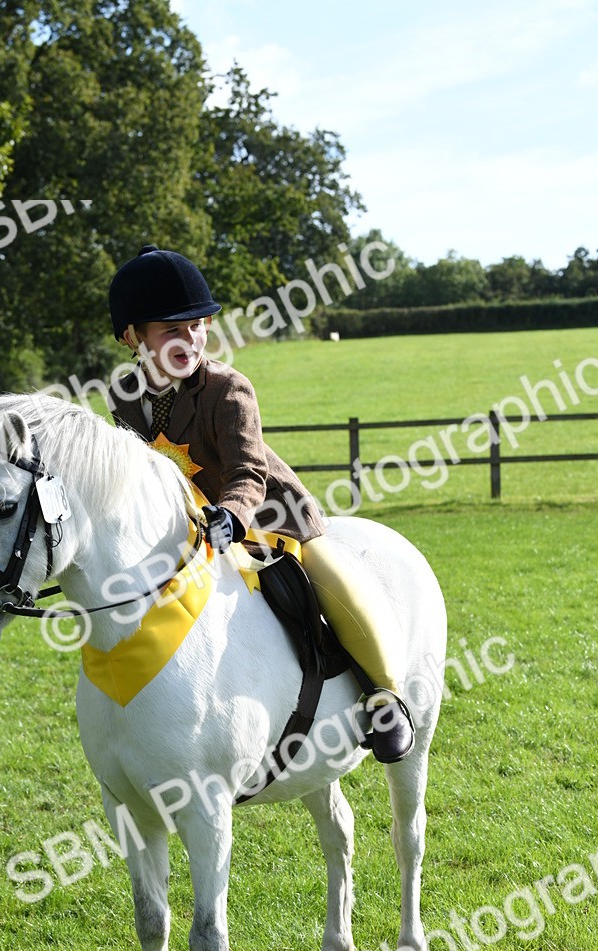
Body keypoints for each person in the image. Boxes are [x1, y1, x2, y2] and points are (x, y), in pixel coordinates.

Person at [107, 244, 415, 763]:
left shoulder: (228, 388)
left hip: (267, 518)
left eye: (197, 326)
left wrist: (230, 515)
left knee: (331, 577)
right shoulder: (123, 395)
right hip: (187, 527)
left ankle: (386, 696)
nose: (189, 339)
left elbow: (248, 471)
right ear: (132, 337)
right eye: (170, 330)